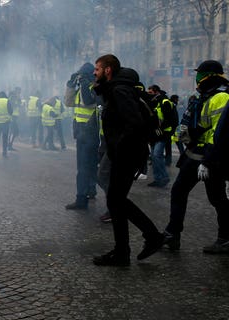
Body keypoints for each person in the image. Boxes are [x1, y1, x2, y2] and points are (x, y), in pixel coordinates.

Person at [92, 54, 164, 266]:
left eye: (97, 69)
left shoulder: (119, 90)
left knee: (116, 200)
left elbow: (134, 123)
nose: (94, 73)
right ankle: (124, 251)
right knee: (116, 201)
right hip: (125, 153)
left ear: (108, 70)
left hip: (126, 154)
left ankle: (149, 237)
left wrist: (119, 148)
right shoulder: (116, 88)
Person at [162, 60, 229, 254]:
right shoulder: (203, 96)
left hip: (211, 157)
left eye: (200, 74)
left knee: (217, 198)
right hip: (195, 154)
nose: (197, 78)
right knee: (178, 191)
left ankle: (225, 238)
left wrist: (208, 162)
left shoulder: (221, 97)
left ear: (209, 75)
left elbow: (220, 133)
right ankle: (172, 234)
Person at [64, 63, 100, 210]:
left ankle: (81, 199)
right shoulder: (82, 89)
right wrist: (70, 85)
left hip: (89, 132)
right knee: (90, 166)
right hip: (82, 132)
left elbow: (88, 101)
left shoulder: (94, 88)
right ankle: (90, 190)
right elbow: (68, 102)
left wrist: (84, 82)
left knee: (83, 167)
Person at [146, 84, 176, 188]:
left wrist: (162, 129)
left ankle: (164, 177)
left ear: (156, 92)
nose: (148, 94)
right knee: (154, 157)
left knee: (157, 155)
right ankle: (157, 179)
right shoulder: (153, 102)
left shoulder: (164, 102)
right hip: (155, 135)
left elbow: (170, 119)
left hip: (163, 134)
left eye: (150, 92)